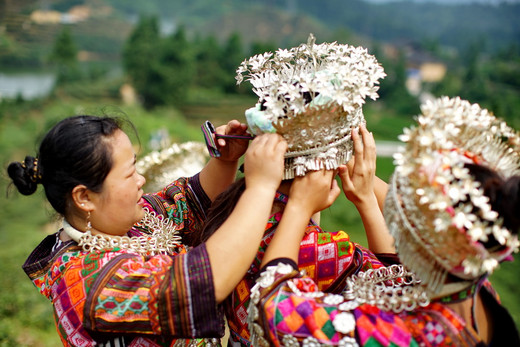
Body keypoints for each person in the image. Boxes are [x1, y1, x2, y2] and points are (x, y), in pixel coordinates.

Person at [246, 96, 520, 346]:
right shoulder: (478, 289)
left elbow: (274, 305)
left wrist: (299, 205)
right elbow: (400, 280)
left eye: (401, 222)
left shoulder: (412, 334)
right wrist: (366, 199)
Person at [7, 114, 289, 346]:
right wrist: (262, 186)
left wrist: (225, 159)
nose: (141, 179)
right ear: (85, 198)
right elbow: (203, 282)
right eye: (130, 173)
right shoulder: (87, 281)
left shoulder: (132, 220)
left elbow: (191, 202)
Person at [194, 34, 397, 346]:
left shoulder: (234, 213)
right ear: (329, 166)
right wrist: (367, 199)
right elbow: (399, 294)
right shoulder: (326, 253)